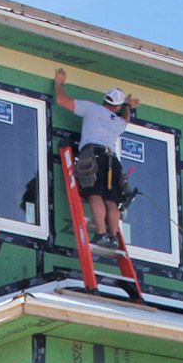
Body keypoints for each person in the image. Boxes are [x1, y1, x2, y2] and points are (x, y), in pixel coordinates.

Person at [53, 69, 139, 247]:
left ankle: (101, 233)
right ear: (117, 106)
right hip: (112, 161)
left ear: (104, 98)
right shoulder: (118, 122)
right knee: (111, 200)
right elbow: (126, 119)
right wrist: (129, 107)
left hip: (93, 155)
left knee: (94, 195)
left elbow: (62, 100)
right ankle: (113, 237)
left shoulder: (91, 109)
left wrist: (59, 84)